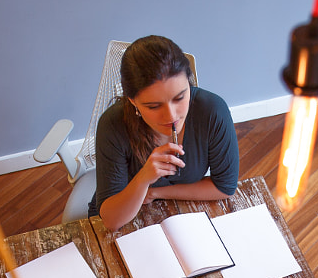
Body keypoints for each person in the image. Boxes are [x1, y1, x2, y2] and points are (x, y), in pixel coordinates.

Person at [89, 35, 240, 231]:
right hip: (124, 218)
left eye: (180, 97)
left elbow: (225, 187)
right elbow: (111, 221)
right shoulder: (113, 125)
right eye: (153, 106)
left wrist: (155, 192)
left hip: (179, 215)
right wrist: (143, 179)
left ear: (189, 82)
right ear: (133, 101)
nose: (171, 115)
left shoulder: (212, 111)